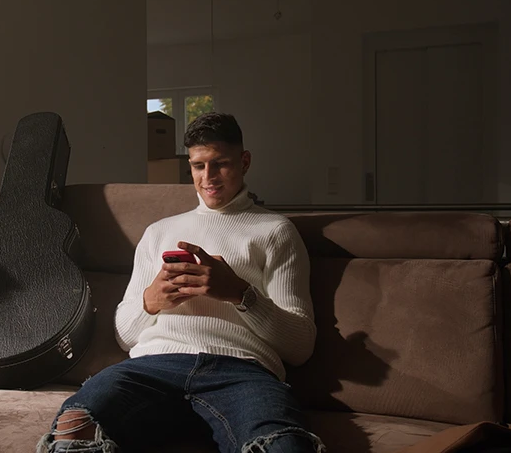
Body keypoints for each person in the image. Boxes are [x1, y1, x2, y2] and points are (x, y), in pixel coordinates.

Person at [37, 113, 323, 453]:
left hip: (241, 372)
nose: (208, 177)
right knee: (74, 426)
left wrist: (238, 293)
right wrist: (152, 301)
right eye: (198, 166)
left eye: (221, 164)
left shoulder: (275, 231)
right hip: (153, 365)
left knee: (285, 447)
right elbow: (126, 335)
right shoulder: (159, 231)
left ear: (244, 162)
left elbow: (300, 346)